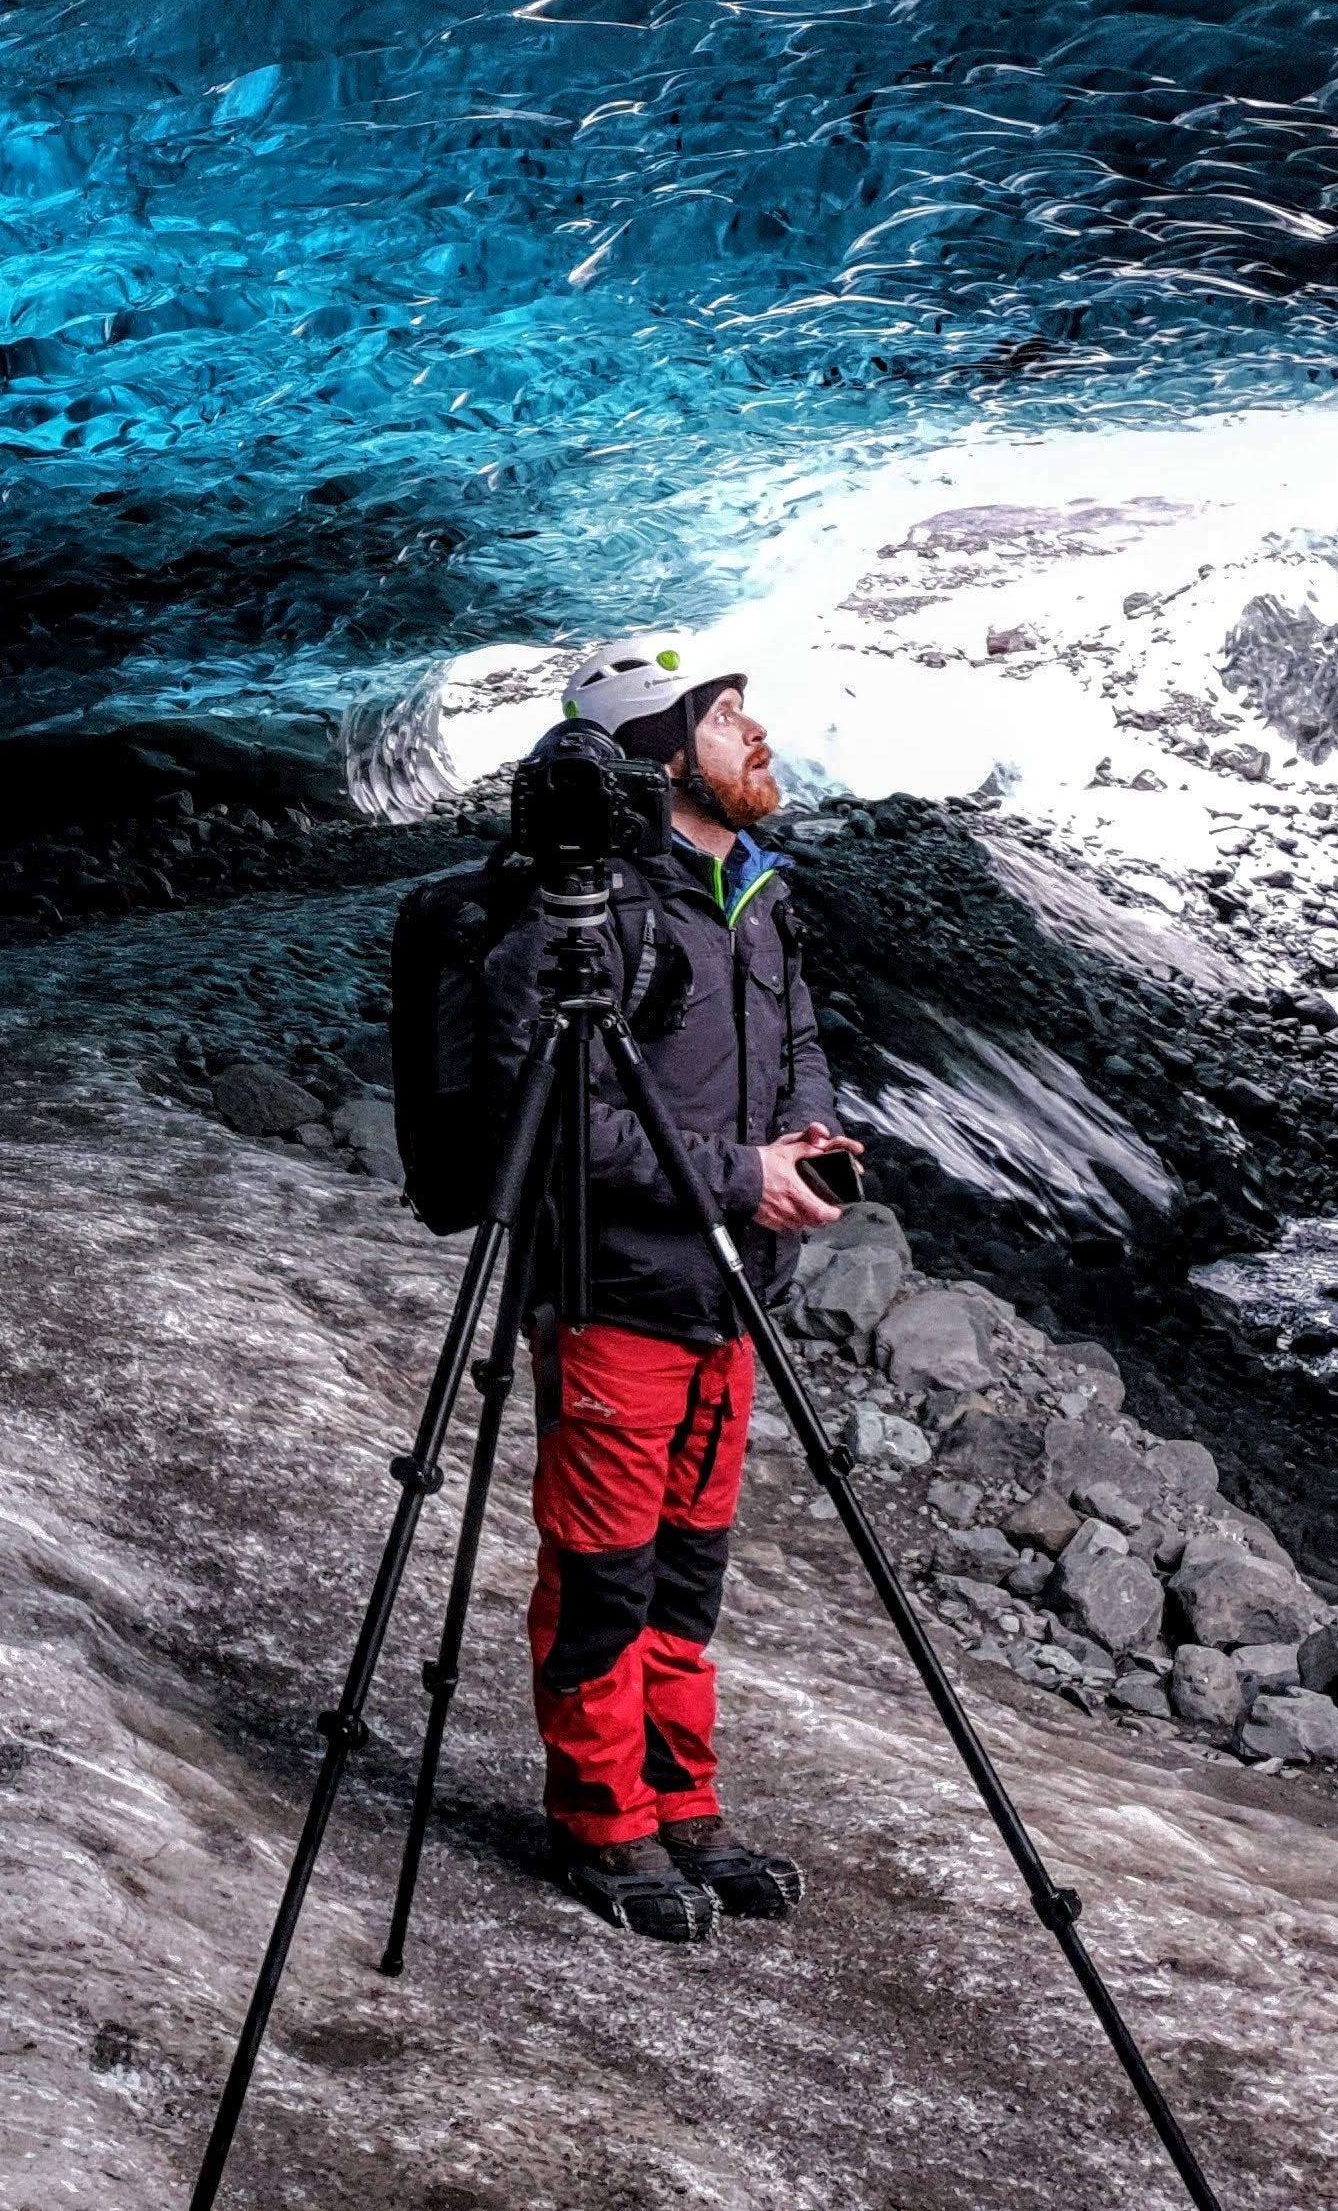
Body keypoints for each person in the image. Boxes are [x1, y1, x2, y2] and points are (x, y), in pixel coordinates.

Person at [478, 635, 859, 1941]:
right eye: (727, 717)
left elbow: (801, 1043)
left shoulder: (756, 890)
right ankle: (602, 1822)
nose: (756, 734)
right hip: (618, 1290)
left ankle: (681, 1806)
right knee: (605, 1574)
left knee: (687, 1573)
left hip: (728, 1295)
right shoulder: (589, 919)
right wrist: (736, 1175)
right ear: (657, 753)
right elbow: (564, 1122)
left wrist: (800, 1145)